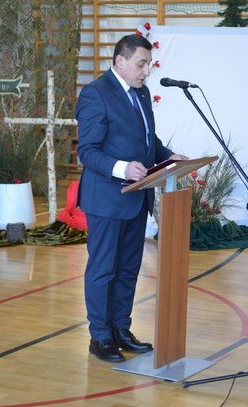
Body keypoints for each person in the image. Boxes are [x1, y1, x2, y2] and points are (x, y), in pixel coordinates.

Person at [75, 34, 188, 362]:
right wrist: (122, 168)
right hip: (106, 199)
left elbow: (147, 141)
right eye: (141, 64)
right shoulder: (95, 94)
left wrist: (168, 156)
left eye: (148, 64)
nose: (146, 71)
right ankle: (100, 337)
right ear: (120, 61)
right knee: (103, 270)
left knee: (127, 269)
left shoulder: (141, 92)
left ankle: (121, 330)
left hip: (137, 198)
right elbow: (87, 152)